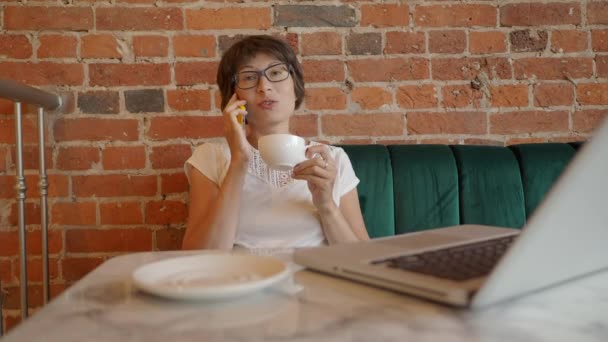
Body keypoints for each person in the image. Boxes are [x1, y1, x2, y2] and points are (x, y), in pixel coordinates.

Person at [182, 35, 369, 250]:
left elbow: (363, 259)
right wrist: (239, 161)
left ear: (295, 86)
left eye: (276, 73)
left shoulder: (331, 159)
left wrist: (326, 205)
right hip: (243, 281)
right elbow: (199, 257)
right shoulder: (211, 158)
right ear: (233, 96)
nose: (264, 87)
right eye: (249, 77)